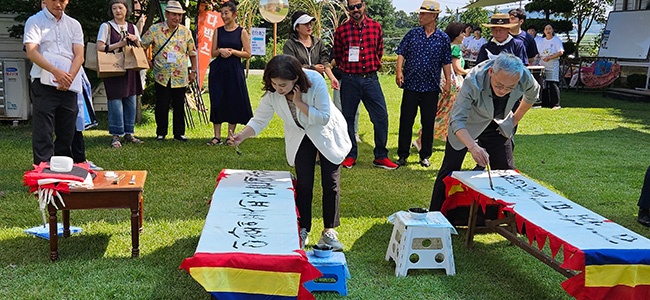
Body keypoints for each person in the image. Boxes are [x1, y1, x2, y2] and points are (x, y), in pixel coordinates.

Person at [229, 55, 351, 251]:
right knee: (304, 183)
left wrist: (298, 102)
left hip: (325, 131)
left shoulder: (316, 81)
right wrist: (242, 135)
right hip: (300, 134)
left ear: (296, 78)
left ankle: (329, 231)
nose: (279, 88)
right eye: (275, 83)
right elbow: (260, 120)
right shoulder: (272, 93)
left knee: (330, 182)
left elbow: (323, 118)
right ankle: (303, 228)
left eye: (283, 84)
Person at [429, 52, 540, 211]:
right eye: (499, 85)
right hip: (468, 123)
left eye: (510, 88)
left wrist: (515, 119)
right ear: (491, 73)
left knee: (506, 171)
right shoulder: (473, 80)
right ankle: (435, 214)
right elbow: (457, 120)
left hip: (499, 123)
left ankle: (500, 215)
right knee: (449, 170)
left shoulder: (524, 76)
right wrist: (472, 147)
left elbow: (533, 93)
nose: (503, 91)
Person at [333, 0, 398, 170]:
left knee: (381, 116)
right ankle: (350, 154)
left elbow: (379, 51)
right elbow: (338, 56)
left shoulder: (376, 27)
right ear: (348, 10)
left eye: (358, 6)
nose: (355, 10)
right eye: (351, 7)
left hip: (371, 79)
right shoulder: (341, 31)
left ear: (364, 6)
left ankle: (381, 156)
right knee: (347, 118)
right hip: (349, 80)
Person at [24, 0, 84, 165]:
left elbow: (79, 55)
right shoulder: (35, 21)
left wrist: (69, 77)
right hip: (43, 83)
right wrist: (55, 71)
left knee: (67, 131)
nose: (59, 4)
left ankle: (63, 169)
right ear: (45, 0)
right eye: (55, 0)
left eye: (63, 0)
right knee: (43, 130)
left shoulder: (74, 24)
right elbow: (31, 51)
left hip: (69, 83)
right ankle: (43, 171)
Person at [394, 0, 451, 168]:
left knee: (428, 122)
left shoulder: (443, 38)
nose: (420, 16)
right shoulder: (412, 34)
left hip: (431, 87)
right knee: (406, 120)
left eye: (423, 13)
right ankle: (402, 154)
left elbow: (446, 61)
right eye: (420, 13)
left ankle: (425, 154)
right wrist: (399, 71)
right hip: (411, 85)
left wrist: (448, 81)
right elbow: (401, 53)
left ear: (433, 16)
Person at [141, 0, 197, 142]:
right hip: (162, 74)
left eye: (179, 15)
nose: (177, 18)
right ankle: (161, 133)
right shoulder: (155, 29)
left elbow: (193, 53)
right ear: (167, 14)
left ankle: (179, 133)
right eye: (174, 14)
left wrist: (194, 71)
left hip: (181, 75)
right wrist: (147, 61)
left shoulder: (185, 31)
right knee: (162, 104)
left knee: (179, 105)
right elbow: (142, 45)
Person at [96, 0, 144, 148]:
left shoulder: (132, 27)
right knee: (115, 101)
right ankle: (116, 135)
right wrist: (119, 44)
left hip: (130, 67)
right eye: (114, 8)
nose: (118, 11)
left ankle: (129, 132)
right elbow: (100, 46)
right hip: (113, 68)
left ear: (126, 10)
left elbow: (140, 47)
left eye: (120, 8)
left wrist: (135, 40)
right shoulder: (106, 26)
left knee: (130, 100)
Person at [206, 0, 253, 146]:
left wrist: (233, 52)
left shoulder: (241, 31)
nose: (223, 16)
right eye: (222, 13)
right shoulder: (217, 31)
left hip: (234, 69)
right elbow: (212, 52)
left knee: (233, 100)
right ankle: (216, 136)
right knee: (218, 99)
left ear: (234, 14)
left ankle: (230, 136)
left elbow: (248, 53)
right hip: (219, 70)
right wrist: (220, 51)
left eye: (226, 13)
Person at [284, 11, 339, 91]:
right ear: (296, 27)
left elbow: (324, 62)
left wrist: (332, 78)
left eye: (310, 23)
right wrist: (313, 68)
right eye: (305, 24)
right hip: (299, 85)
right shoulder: (289, 45)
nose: (309, 26)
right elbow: (292, 66)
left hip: (318, 84)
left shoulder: (318, 42)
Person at [537, 24, 564, 109]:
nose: (548, 30)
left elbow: (560, 52)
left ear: (552, 30)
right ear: (544, 31)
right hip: (542, 64)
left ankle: (556, 104)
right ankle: (545, 102)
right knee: (543, 83)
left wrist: (550, 57)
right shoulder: (541, 41)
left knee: (553, 83)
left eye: (549, 29)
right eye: (546, 29)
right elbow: (538, 52)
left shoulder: (556, 40)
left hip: (552, 64)